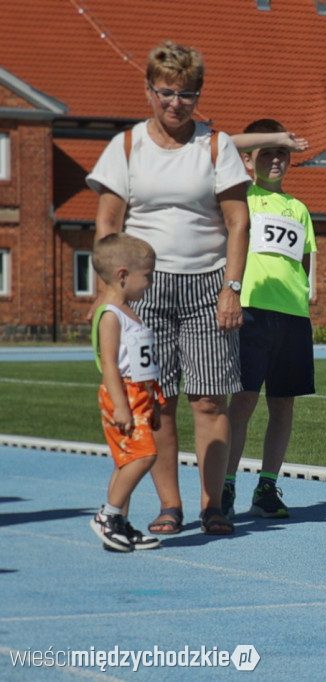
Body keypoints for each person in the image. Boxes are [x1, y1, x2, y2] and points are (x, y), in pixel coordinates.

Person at [87, 41, 252, 537]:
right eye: (166, 92)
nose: (176, 103)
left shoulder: (216, 145)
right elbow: (108, 222)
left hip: (207, 284)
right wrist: (106, 294)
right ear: (149, 91)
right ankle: (169, 507)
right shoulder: (127, 146)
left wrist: (232, 287)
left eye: (187, 94)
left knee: (209, 400)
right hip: (142, 291)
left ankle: (213, 505)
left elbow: (238, 223)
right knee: (158, 401)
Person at [223, 118, 317, 520]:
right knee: (243, 401)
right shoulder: (240, 196)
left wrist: (300, 300)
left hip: (292, 316)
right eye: (268, 152)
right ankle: (224, 484)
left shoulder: (299, 208)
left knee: (283, 405)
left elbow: (304, 261)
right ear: (249, 160)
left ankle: (266, 487)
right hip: (251, 311)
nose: (277, 159)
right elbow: (222, 146)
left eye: (283, 153)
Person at [89, 233, 164, 552]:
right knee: (144, 455)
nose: (149, 283)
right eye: (146, 276)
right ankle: (108, 515)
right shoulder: (110, 315)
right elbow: (109, 364)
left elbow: (141, 362)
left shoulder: (129, 310)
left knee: (126, 461)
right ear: (122, 275)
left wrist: (155, 403)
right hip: (124, 395)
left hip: (142, 394)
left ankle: (118, 524)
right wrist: (121, 405)